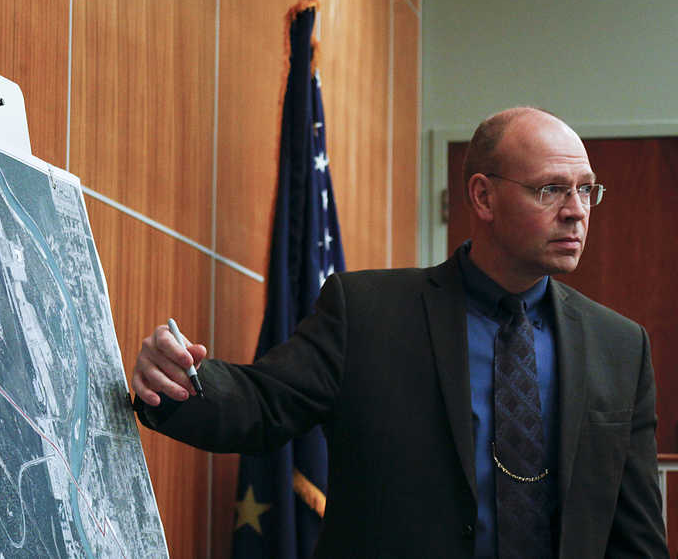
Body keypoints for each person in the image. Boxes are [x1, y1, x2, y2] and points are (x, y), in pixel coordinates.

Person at [130, 107, 668, 558]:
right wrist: (181, 381)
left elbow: (635, 534)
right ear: (483, 197)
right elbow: (264, 403)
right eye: (551, 189)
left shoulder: (619, 347)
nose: (576, 212)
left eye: (586, 190)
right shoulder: (368, 312)